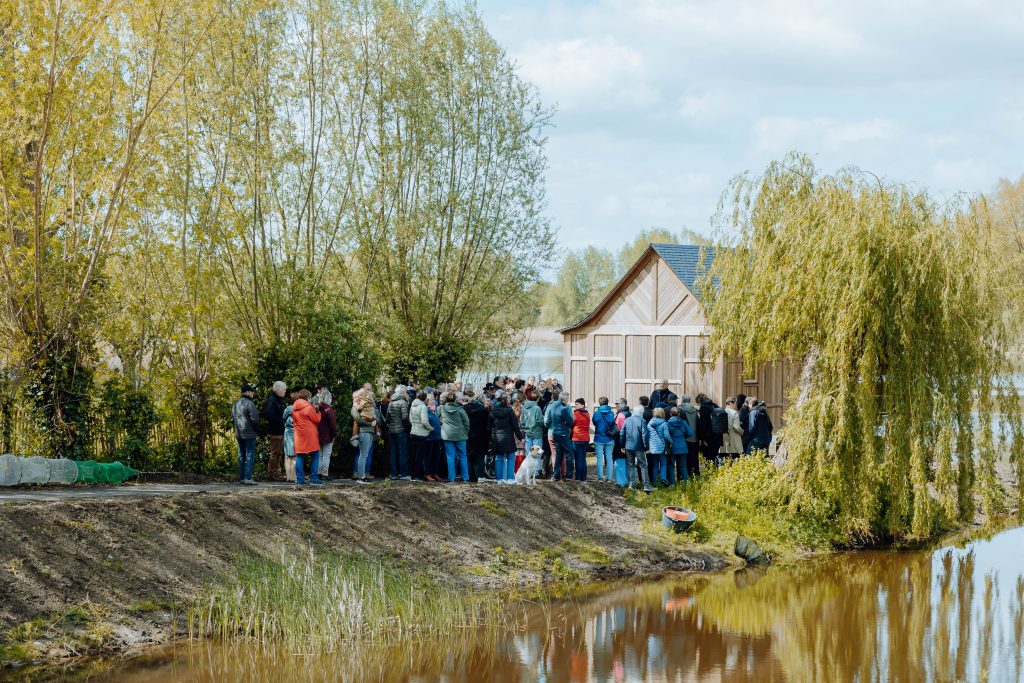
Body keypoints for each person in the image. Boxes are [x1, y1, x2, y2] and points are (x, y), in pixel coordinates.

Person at [489, 392, 523, 483]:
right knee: (511, 458)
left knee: (498, 458)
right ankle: (510, 478)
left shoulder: (492, 411)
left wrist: (490, 439)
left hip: (496, 439)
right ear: (505, 400)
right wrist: (521, 437)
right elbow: (515, 427)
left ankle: (499, 479)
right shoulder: (510, 411)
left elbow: (489, 427)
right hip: (508, 439)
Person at [292, 389, 322, 488]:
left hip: (299, 434)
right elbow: (316, 420)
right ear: (308, 397)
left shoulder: (294, 407)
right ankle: (314, 478)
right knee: (315, 454)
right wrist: (318, 412)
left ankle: (300, 480)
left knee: (300, 457)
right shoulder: (308, 408)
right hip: (309, 434)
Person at [231, 383, 260, 486]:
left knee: (241, 455)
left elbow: (232, 418)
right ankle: (248, 478)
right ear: (247, 392)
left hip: (239, 433)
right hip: (250, 434)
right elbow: (255, 419)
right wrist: (257, 430)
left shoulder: (235, 404)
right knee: (250, 455)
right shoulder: (250, 404)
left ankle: (242, 477)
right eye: (252, 391)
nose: (253, 393)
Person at [544, 391, 575, 481]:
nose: (568, 401)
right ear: (564, 399)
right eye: (568, 399)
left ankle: (556, 475)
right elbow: (570, 421)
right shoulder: (564, 408)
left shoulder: (552, 407)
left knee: (558, 455)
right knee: (569, 454)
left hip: (554, 433)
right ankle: (568, 475)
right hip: (563, 433)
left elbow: (547, 420)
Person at [441, 391, 471, 483]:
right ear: (455, 399)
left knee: (450, 457)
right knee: (463, 456)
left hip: (447, 435)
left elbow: (440, 418)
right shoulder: (460, 409)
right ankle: (465, 478)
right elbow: (467, 423)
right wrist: (465, 432)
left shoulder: (442, 409)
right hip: (460, 435)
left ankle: (451, 478)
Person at [623, 403, 651, 492]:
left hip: (628, 447)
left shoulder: (627, 420)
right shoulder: (642, 421)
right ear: (641, 412)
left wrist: (622, 445)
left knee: (631, 465)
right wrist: (647, 447)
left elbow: (622, 433)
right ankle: (646, 485)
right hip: (639, 447)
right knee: (643, 466)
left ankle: (632, 484)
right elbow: (644, 435)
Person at [262, 381, 287, 481]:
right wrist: (282, 421)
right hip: (275, 431)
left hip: (278, 430)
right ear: (277, 389)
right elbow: (269, 415)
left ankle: (275, 472)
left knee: (277, 452)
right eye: (283, 389)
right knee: (274, 453)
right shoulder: (272, 401)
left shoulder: (277, 400)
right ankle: (272, 473)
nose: (285, 390)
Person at [463, 389, 489, 482]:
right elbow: (487, 425)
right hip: (482, 436)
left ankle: (470, 476)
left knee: (469, 457)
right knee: (480, 457)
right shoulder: (485, 412)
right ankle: (481, 475)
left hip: (469, 434)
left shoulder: (465, 409)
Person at [352, 389, 377, 483]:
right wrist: (371, 423)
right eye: (356, 396)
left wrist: (374, 421)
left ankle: (362, 476)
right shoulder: (355, 407)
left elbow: (375, 417)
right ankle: (360, 477)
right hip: (363, 432)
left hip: (369, 432)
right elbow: (359, 420)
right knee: (363, 454)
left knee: (365, 454)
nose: (358, 398)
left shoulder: (366, 405)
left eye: (359, 396)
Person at [387, 386, 411, 480]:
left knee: (393, 453)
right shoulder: (403, 403)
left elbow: (388, 417)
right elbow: (405, 417)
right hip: (401, 430)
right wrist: (408, 426)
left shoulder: (391, 403)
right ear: (403, 392)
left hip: (392, 430)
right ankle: (404, 474)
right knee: (402, 453)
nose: (407, 394)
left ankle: (393, 474)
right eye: (406, 392)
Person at [695, 393, 724, 468]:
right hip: (718, 436)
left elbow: (703, 425)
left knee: (708, 456)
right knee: (715, 455)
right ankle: (715, 472)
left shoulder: (704, 409)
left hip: (708, 437)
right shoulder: (716, 406)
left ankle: (710, 473)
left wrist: (703, 439)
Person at [520, 389, 545, 477]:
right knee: (537, 453)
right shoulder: (537, 408)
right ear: (537, 398)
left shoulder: (524, 407)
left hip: (527, 432)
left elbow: (522, 421)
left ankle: (528, 471)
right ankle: (536, 472)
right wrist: (544, 420)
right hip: (537, 432)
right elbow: (539, 421)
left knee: (528, 453)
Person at [591, 397, 616, 483]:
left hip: (599, 438)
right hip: (609, 439)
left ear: (599, 403)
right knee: (609, 459)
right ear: (607, 403)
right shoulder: (611, 413)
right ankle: (609, 478)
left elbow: (594, 423)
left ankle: (600, 478)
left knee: (599, 459)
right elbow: (612, 424)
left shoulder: (596, 413)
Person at [666, 406, 693, 484]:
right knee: (683, 466)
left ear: (670, 414)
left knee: (671, 466)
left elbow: (666, 435)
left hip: (672, 446)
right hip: (682, 446)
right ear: (679, 414)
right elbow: (690, 433)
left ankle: (672, 483)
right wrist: (683, 437)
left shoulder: (668, 423)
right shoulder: (683, 422)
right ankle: (685, 482)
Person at [409, 390, 432, 481]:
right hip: (422, 434)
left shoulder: (412, 405)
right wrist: (431, 428)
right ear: (424, 398)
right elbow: (424, 421)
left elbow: (410, 419)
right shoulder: (423, 406)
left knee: (413, 455)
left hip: (413, 432)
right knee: (420, 456)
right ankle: (418, 476)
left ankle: (413, 476)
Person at [645, 407, 672, 487]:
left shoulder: (649, 423)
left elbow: (647, 435)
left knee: (655, 465)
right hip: (662, 447)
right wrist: (671, 442)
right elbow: (666, 436)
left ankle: (654, 482)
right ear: (662, 414)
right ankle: (663, 479)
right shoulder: (664, 423)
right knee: (663, 463)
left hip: (652, 447)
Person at [315, 394, 338, 480]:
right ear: (328, 399)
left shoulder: (317, 409)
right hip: (327, 435)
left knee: (320, 455)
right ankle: (324, 474)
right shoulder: (329, 409)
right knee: (326, 455)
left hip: (317, 434)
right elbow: (333, 424)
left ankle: (318, 473)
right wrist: (334, 435)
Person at [571, 398, 591, 482]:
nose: (575, 406)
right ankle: (584, 478)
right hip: (586, 438)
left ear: (582, 405)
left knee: (578, 459)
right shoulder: (587, 414)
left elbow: (572, 423)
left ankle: (578, 477)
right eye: (575, 404)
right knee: (583, 458)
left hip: (577, 438)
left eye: (577, 404)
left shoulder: (576, 414)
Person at [679, 394, 699, 475]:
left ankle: (686, 473)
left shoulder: (680, 409)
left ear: (683, 400)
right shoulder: (694, 409)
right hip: (694, 436)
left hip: (685, 437)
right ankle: (695, 472)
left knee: (685, 457)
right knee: (694, 455)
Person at [612, 398, 630, 486]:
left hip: (620, 441)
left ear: (623, 404)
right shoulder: (629, 413)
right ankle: (626, 481)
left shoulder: (621, 415)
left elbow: (620, 430)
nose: (616, 406)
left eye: (617, 404)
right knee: (627, 461)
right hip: (629, 441)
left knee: (619, 460)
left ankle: (621, 482)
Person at [424, 397, 443, 480]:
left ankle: (434, 473)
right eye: (431, 404)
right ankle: (427, 473)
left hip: (437, 438)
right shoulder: (427, 413)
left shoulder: (435, 413)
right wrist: (431, 429)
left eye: (434, 404)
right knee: (428, 456)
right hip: (430, 438)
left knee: (437, 456)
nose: (433, 406)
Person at [283, 394, 296, 482]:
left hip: (287, 432)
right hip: (296, 432)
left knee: (287, 456)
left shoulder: (288, 409)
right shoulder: (300, 409)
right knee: (295, 456)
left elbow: (283, 418)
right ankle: (293, 477)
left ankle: (288, 477)